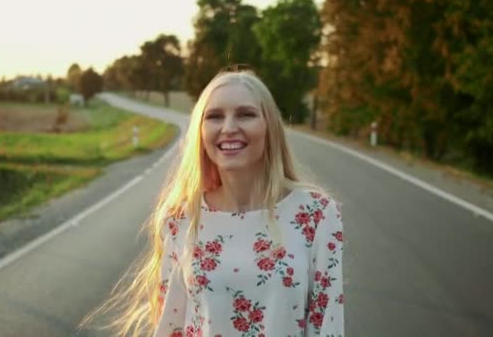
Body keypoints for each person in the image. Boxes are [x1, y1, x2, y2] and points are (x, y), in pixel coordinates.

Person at [83, 68, 344, 336]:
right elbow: (172, 326)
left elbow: (328, 325)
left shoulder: (316, 215)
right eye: (215, 116)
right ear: (201, 132)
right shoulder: (180, 220)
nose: (229, 128)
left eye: (246, 114)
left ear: (270, 127)